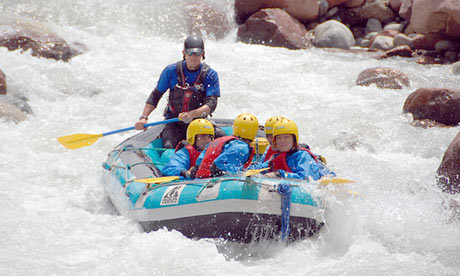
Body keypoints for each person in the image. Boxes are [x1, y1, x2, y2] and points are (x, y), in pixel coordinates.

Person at [134, 35, 220, 149]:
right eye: (190, 53)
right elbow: (156, 95)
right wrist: (144, 117)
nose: (193, 57)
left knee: (222, 138)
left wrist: (191, 115)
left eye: (197, 53)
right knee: (169, 146)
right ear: (184, 53)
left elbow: (211, 104)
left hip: (199, 121)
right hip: (174, 122)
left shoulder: (210, 74)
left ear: (203, 54)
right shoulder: (171, 71)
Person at [262, 119, 336, 180]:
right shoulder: (275, 157)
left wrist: (280, 174)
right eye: (279, 137)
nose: (282, 140)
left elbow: (306, 178)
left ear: (294, 139)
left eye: (286, 137)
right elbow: (261, 168)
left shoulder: (303, 156)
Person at [191, 113, 259, 178]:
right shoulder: (242, 147)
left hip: (200, 179)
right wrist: (243, 171)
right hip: (211, 180)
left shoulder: (217, 141)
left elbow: (197, 167)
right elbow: (218, 166)